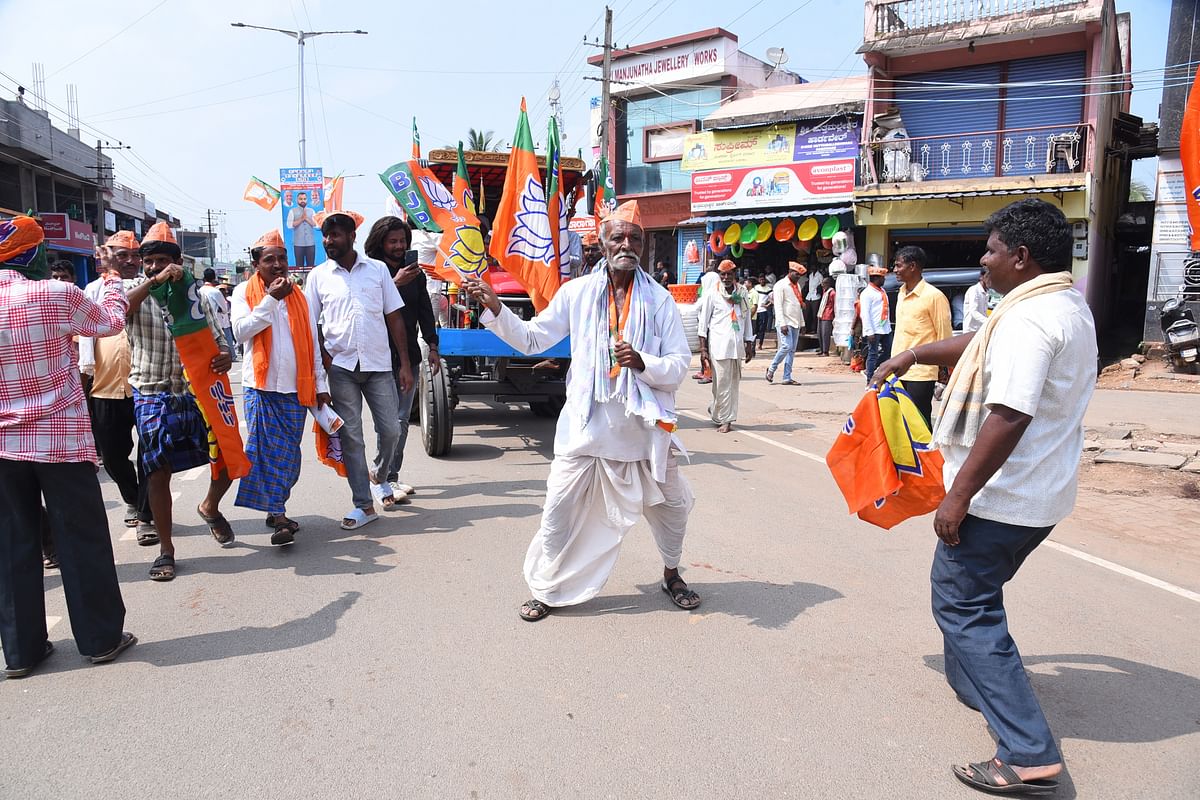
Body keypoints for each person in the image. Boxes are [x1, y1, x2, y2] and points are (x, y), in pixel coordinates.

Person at [870, 199, 1095, 797]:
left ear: (1021, 258)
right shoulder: (1062, 303)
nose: (982, 258)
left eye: (992, 249)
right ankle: (977, 683)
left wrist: (957, 497)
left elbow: (1010, 412)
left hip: (1001, 498)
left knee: (962, 605)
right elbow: (979, 343)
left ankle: (1026, 753)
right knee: (974, 596)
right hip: (1041, 495)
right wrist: (913, 353)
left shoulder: (1026, 320)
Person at [462, 200, 699, 622]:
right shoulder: (576, 293)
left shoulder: (660, 300)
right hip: (585, 431)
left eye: (634, 238)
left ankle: (671, 574)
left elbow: (679, 365)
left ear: (642, 245)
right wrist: (496, 309)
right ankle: (546, 588)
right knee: (557, 510)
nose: (626, 244)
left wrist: (642, 362)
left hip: (643, 433)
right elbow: (534, 340)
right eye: (618, 237)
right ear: (601, 243)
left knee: (673, 509)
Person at [0, 215, 136, 678]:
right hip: (58, 439)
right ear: (32, 254)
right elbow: (112, 321)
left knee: (11, 545)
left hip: (2, 446)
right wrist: (113, 279)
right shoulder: (54, 295)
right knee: (81, 539)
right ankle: (99, 640)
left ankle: (21, 651)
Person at [127, 223, 236, 581]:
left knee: (227, 457)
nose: (155, 267)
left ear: (178, 263)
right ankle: (166, 550)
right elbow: (118, 314)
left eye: (162, 261)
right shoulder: (134, 293)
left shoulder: (198, 297)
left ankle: (210, 506)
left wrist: (223, 355)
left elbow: (221, 343)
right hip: (151, 392)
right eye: (149, 262)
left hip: (196, 391)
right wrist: (151, 285)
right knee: (156, 468)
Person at [304, 212, 414, 530]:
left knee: (392, 429)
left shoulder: (377, 271)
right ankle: (364, 505)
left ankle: (380, 474)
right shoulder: (318, 277)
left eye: (335, 235)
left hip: (379, 365)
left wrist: (404, 363)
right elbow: (312, 327)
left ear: (352, 236)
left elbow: (394, 317)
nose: (329, 241)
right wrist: (320, 366)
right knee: (351, 437)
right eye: (325, 236)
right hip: (340, 368)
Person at [230, 230, 331, 546]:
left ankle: (276, 508)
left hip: (296, 391)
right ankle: (278, 516)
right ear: (257, 264)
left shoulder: (300, 297)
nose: (277, 264)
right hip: (261, 389)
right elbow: (240, 332)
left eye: (281, 258)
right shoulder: (243, 292)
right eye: (269, 259)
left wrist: (321, 384)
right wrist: (270, 299)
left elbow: (313, 344)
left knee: (289, 457)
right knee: (264, 453)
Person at [79, 231, 154, 539]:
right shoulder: (92, 290)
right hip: (106, 385)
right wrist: (86, 376)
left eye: (135, 255)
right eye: (122, 254)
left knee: (151, 453)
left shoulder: (151, 289)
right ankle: (134, 499)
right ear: (105, 255)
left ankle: (147, 516)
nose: (130, 261)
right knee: (111, 454)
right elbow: (86, 334)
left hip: (147, 384)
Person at [364, 216, 440, 501]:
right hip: (377, 357)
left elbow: (425, 312)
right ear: (380, 241)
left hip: (408, 355)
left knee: (402, 421)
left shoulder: (417, 275)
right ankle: (380, 475)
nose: (398, 246)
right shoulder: (370, 271)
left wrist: (432, 345)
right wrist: (394, 284)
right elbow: (367, 306)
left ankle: (388, 476)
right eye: (393, 241)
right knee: (388, 423)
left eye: (403, 242)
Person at [890, 246, 953, 424]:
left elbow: (944, 336)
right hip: (898, 369)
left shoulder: (934, 296)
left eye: (898, 265)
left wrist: (945, 370)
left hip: (921, 372)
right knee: (899, 421)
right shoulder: (901, 294)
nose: (895, 270)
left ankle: (925, 453)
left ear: (912, 266)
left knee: (919, 421)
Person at [697, 260, 755, 433]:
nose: (726, 277)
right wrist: (703, 349)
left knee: (732, 384)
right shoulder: (712, 293)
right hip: (718, 346)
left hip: (736, 346)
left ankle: (726, 418)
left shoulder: (742, 293)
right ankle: (718, 410)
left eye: (729, 274)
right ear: (719, 275)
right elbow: (703, 323)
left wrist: (749, 343)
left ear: (735, 274)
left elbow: (746, 319)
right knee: (720, 384)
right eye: (723, 274)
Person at [766, 262, 806, 385]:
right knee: (786, 346)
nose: (798, 276)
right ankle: (771, 369)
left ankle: (787, 377)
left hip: (796, 322)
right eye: (796, 274)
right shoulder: (780, 285)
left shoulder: (797, 286)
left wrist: (802, 323)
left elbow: (798, 305)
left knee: (792, 350)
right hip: (784, 322)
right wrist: (782, 323)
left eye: (800, 275)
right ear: (790, 272)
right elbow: (777, 306)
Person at [859, 263, 891, 384]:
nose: (884, 280)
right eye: (882, 278)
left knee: (888, 351)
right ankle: (870, 379)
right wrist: (869, 332)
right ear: (876, 278)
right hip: (874, 329)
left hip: (885, 328)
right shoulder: (867, 293)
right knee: (873, 354)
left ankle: (872, 370)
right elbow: (865, 313)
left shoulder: (882, 291)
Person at [200, 268, 234, 362]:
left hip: (202, 324)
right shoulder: (215, 291)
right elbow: (225, 309)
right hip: (216, 324)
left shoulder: (199, 291)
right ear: (214, 278)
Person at [289, 191, 318, 269]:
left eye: (304, 199)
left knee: (311, 266)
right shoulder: (292, 211)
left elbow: (316, 224)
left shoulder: (312, 211)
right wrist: (301, 219)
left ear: (307, 200)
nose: (303, 201)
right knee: (299, 266)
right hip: (298, 244)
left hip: (310, 243)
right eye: (301, 199)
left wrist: (306, 219)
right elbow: (290, 225)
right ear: (297, 200)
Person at [962, 268, 991, 333]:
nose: (990, 280)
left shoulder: (986, 292)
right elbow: (973, 312)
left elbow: (984, 312)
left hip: (980, 330)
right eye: (987, 276)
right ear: (981, 277)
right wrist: (988, 321)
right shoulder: (974, 290)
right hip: (970, 331)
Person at [752, 274, 774, 349]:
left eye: (763, 279)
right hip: (755, 310)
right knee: (755, 328)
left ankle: (760, 344)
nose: (762, 281)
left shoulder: (769, 289)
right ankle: (753, 344)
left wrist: (767, 305)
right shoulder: (756, 287)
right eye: (761, 280)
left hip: (763, 311)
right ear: (759, 280)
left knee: (762, 329)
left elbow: (773, 299)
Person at [816, 277, 836, 356]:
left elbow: (835, 305)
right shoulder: (825, 291)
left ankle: (825, 351)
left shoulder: (832, 293)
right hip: (821, 314)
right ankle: (822, 349)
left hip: (828, 315)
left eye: (824, 283)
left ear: (828, 284)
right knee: (819, 333)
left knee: (825, 334)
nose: (822, 285)